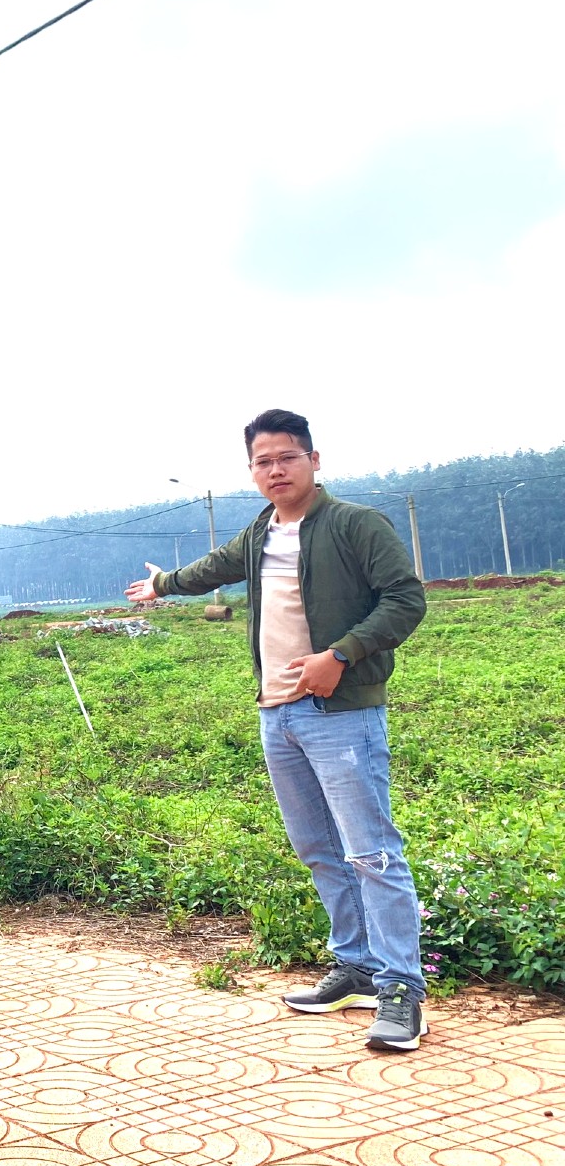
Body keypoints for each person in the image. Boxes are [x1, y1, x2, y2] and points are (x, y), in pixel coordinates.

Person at [125, 409, 428, 1051]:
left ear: (314, 461)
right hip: (278, 713)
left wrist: (340, 655)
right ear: (252, 471)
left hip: (342, 713)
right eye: (263, 461)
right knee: (319, 849)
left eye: (287, 457)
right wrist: (162, 585)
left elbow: (405, 599)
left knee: (372, 853)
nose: (276, 470)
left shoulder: (356, 524)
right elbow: (213, 568)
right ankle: (356, 968)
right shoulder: (261, 531)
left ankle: (402, 989)